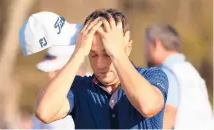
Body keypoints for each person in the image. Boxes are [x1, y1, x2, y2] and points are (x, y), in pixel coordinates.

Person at [34, 8, 169, 129]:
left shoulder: (153, 76)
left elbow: (148, 106)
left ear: (127, 48)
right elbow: (44, 112)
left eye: (107, 54)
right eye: (93, 55)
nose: (100, 64)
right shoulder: (78, 88)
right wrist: (78, 53)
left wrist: (117, 54)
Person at [142, 23, 213, 129]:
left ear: (156, 44)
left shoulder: (165, 73)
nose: (145, 52)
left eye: (146, 46)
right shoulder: (191, 71)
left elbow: (168, 114)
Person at [32, 45, 91, 129]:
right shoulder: (45, 96)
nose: (50, 75)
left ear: (76, 68)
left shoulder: (98, 92)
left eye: (57, 71)